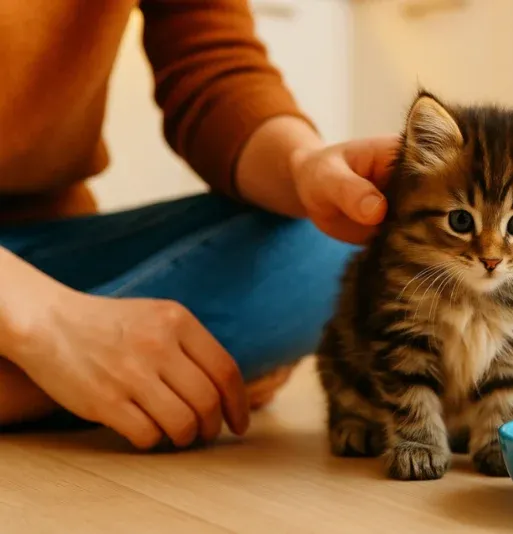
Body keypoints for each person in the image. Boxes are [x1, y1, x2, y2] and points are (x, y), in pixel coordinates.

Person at [0, 1, 398, 450]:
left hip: (43, 237)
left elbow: (210, 61)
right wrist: (47, 324)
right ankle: (62, 387)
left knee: (332, 248)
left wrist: (303, 167)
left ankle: (117, 377)